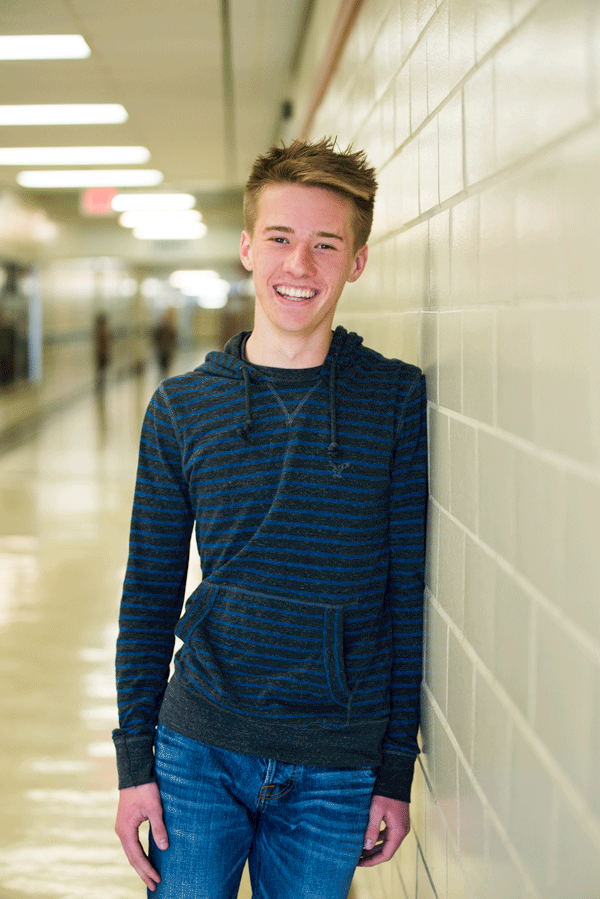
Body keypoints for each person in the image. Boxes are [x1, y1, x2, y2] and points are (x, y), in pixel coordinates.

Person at [113, 137, 428, 899]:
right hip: (196, 748)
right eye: (282, 239)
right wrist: (133, 768)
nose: (300, 265)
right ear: (249, 247)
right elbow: (150, 590)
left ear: (356, 261)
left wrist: (394, 772)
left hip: (334, 764)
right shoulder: (182, 409)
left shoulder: (393, 400)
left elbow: (405, 594)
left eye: (327, 244)